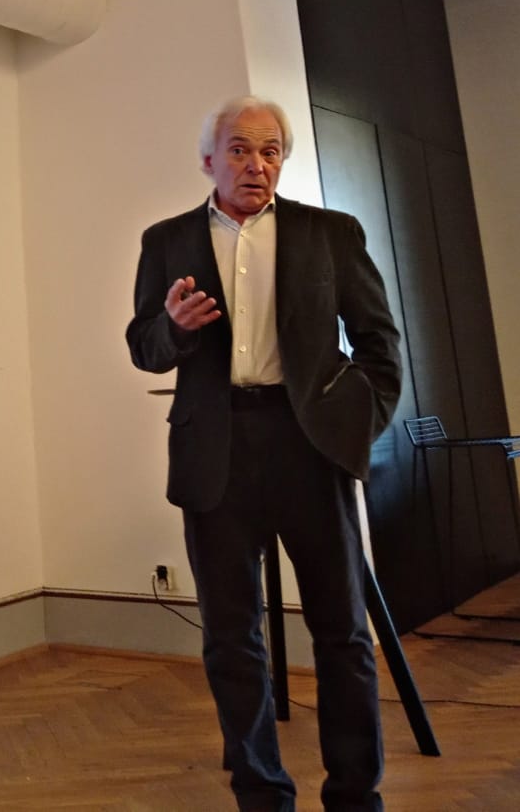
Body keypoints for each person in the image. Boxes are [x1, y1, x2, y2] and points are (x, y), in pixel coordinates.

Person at [126, 96, 402, 812]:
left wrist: (353, 429)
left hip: (310, 447)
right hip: (215, 452)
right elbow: (144, 348)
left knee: (342, 632)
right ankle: (261, 793)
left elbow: (379, 344)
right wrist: (174, 328)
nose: (258, 164)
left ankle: (355, 795)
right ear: (208, 160)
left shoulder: (329, 234)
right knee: (231, 637)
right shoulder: (166, 241)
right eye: (241, 149)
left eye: (271, 150)